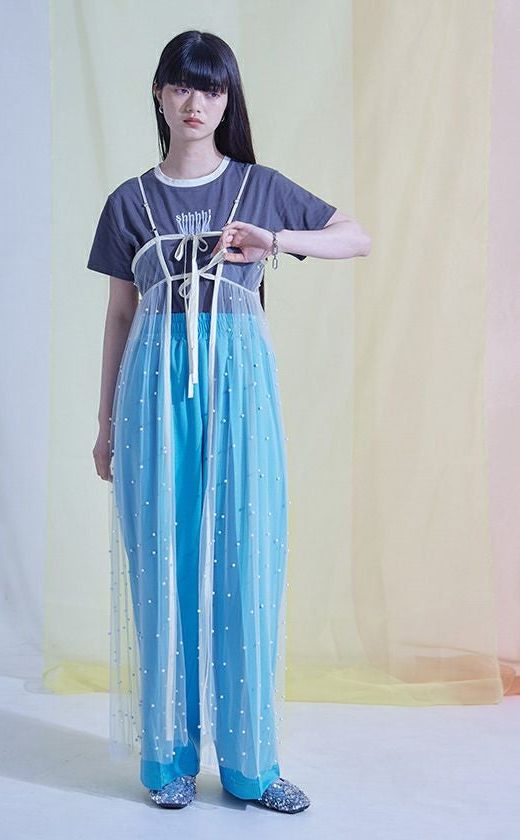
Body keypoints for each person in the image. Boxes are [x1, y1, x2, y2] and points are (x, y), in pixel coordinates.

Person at [87, 30, 370, 813]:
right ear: (159, 94)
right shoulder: (129, 202)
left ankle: (251, 767)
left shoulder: (256, 188)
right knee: (164, 564)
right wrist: (104, 424)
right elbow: (118, 315)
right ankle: (169, 759)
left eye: (211, 89)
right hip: (152, 394)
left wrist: (273, 241)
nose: (195, 102)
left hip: (240, 391)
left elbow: (356, 237)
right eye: (182, 86)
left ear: (226, 101)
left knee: (245, 561)